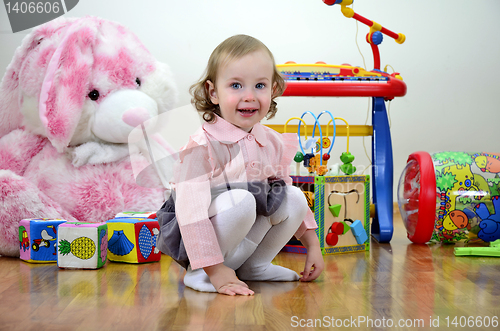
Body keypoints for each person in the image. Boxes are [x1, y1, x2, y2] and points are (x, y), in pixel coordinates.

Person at [157, 34, 324, 296]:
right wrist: (213, 268)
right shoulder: (201, 146)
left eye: (260, 85)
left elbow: (287, 197)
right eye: (236, 86)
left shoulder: (272, 143)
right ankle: (200, 273)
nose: (249, 96)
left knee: (291, 196)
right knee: (242, 201)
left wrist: (312, 245)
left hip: (239, 236)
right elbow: (190, 213)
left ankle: (255, 266)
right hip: (196, 241)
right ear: (213, 92)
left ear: (274, 90)